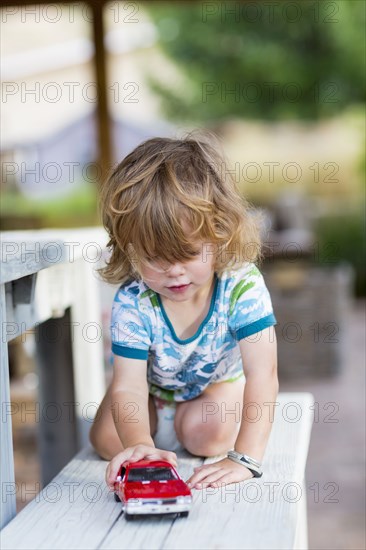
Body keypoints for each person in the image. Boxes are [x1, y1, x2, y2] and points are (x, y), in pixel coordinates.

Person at [90, 133, 279, 491]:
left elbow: (264, 373)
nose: (173, 271)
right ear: (129, 250)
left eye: (189, 253)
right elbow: (129, 385)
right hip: (152, 387)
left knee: (206, 437)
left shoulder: (241, 287)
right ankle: (152, 427)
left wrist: (247, 459)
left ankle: (225, 403)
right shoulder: (134, 301)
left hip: (215, 384)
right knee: (107, 442)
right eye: (154, 257)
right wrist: (140, 446)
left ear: (220, 234)